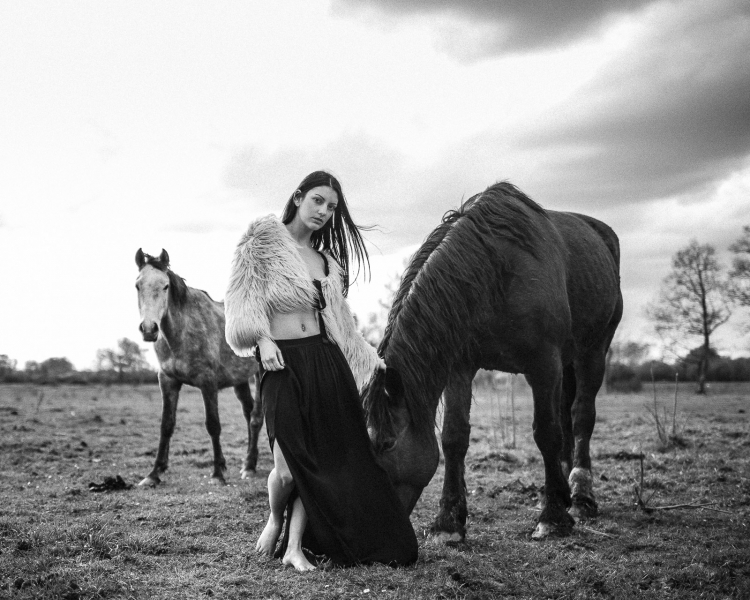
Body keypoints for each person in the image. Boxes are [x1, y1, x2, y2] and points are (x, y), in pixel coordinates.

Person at [224, 170, 418, 571]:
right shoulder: (260, 244)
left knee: (323, 465)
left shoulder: (326, 261)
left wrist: (376, 366)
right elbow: (240, 304)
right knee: (289, 469)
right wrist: (261, 338)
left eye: (331, 207)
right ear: (298, 197)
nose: (324, 211)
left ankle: (295, 548)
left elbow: (343, 328)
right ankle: (275, 519)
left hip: (327, 366)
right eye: (317, 200)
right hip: (282, 365)